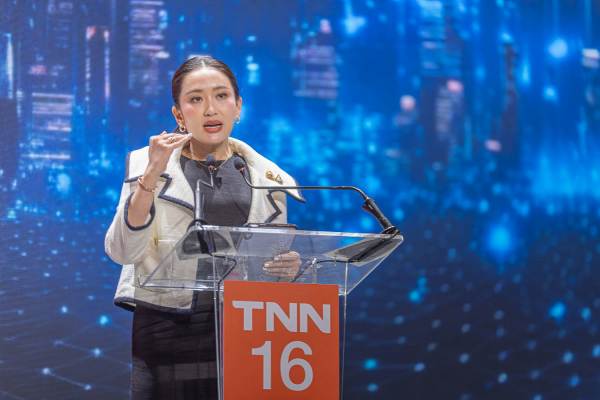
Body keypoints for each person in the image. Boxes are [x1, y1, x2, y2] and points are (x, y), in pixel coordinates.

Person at [104, 55, 303, 399]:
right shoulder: (146, 165)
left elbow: (267, 267)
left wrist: (288, 269)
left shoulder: (270, 179)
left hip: (246, 332)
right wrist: (151, 176)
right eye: (195, 99)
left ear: (238, 107)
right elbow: (123, 251)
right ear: (179, 115)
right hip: (166, 330)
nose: (211, 109)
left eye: (221, 96)